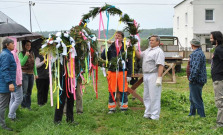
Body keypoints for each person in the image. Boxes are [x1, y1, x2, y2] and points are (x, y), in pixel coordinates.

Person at [101, 31, 132, 114]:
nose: (117, 37)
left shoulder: (125, 48)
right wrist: (106, 47)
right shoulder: (111, 47)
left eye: (119, 36)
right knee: (112, 90)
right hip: (112, 71)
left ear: (122, 38)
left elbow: (130, 61)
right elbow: (103, 56)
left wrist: (129, 74)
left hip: (122, 71)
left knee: (123, 90)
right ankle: (112, 108)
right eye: (115, 36)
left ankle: (124, 107)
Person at [135, 35, 165, 120]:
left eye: (152, 40)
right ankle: (147, 113)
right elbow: (139, 56)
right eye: (150, 40)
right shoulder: (148, 50)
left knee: (154, 95)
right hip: (146, 74)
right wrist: (134, 48)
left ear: (157, 42)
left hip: (153, 74)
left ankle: (155, 115)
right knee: (146, 95)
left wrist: (159, 77)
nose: (150, 41)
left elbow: (160, 65)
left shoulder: (158, 51)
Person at [187, 39, 207, 117]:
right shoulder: (200, 53)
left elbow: (195, 68)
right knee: (192, 97)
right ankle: (192, 113)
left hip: (196, 80)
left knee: (196, 98)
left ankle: (202, 115)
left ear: (192, 45)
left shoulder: (197, 54)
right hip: (199, 79)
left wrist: (191, 79)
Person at [0, 38, 16, 131]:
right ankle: (2, 125)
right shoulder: (6, 55)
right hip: (5, 83)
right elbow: (5, 70)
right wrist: (10, 83)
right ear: (7, 45)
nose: (14, 45)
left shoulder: (7, 53)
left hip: (5, 82)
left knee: (3, 104)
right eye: (12, 43)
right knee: (2, 105)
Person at [19, 40, 38, 110]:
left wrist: (36, 74)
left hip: (31, 74)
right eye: (27, 45)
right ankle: (23, 105)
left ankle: (28, 106)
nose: (29, 46)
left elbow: (34, 64)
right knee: (24, 90)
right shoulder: (21, 53)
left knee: (29, 91)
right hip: (24, 74)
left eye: (30, 45)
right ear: (23, 46)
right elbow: (21, 63)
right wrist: (26, 56)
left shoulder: (32, 53)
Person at [8, 38, 23, 121]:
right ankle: (11, 115)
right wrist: (18, 80)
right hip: (16, 80)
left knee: (13, 98)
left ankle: (12, 116)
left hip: (13, 80)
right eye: (13, 43)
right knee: (19, 99)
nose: (14, 45)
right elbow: (16, 69)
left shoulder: (13, 53)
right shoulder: (13, 54)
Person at [210, 31, 223, 128]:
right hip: (218, 78)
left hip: (219, 78)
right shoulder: (218, 49)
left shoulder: (219, 49)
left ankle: (220, 124)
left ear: (216, 39)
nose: (210, 40)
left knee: (220, 101)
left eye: (211, 38)